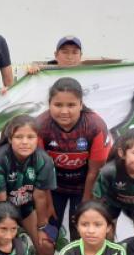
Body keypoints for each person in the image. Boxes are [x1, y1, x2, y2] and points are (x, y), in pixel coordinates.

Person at [0, 115, 56, 255]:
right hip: (4, 211)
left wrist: (42, 229)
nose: (25, 142)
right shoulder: (0, 159)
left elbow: (40, 196)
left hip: (26, 207)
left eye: (30, 137)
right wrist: (5, 230)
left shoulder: (43, 159)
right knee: (8, 248)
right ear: (10, 139)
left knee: (46, 245)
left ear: (37, 139)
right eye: (19, 137)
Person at [38, 77, 112, 240]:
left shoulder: (95, 126)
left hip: (84, 185)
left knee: (80, 233)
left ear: (81, 104)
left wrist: (85, 205)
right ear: (49, 104)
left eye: (71, 105)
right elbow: (41, 172)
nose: (64, 111)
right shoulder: (41, 125)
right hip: (53, 187)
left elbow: (95, 172)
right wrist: (49, 204)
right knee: (48, 237)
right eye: (58, 105)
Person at [27, 36, 134, 74]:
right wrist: (32, 73)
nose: (70, 56)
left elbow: (124, 73)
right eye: (65, 52)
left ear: (81, 55)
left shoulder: (93, 72)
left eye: (74, 52)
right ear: (56, 55)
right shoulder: (43, 73)